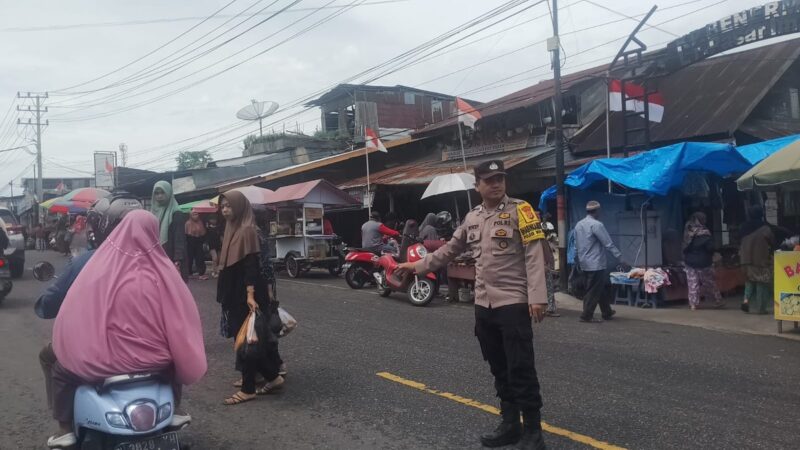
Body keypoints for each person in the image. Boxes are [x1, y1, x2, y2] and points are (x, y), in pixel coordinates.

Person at [398, 160, 549, 450]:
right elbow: (448, 250)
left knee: (521, 368)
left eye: (500, 179)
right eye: (489, 180)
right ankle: (510, 424)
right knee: (498, 367)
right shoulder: (472, 218)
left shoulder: (522, 210)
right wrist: (416, 265)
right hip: (484, 304)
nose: (496, 184)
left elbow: (534, 254)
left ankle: (533, 432)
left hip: (513, 302)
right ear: (477, 185)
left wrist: (538, 297)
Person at [46, 210, 206, 448]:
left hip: (102, 363)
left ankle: (65, 428)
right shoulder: (164, 272)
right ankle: (174, 409)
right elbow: (181, 320)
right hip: (155, 364)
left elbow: (75, 310)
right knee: (176, 358)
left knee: (59, 367)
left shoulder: (98, 268)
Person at [37, 195, 146, 435]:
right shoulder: (157, 261)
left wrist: (45, 306)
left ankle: (64, 426)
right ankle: (176, 405)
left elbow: (53, 299)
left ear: (103, 225)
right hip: (147, 343)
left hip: (102, 346)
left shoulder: (88, 260)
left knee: (54, 361)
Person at [216, 191, 284, 405]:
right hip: (234, 291)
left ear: (239, 207)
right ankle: (272, 377)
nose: (225, 209)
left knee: (246, 340)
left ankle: (249, 388)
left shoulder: (246, 230)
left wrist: (250, 295)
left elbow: (251, 267)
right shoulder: (231, 228)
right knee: (246, 339)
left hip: (244, 293)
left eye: (229, 206)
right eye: (223, 206)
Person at [574, 200, 623, 323]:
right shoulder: (597, 225)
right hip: (596, 263)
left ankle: (606, 311)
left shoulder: (579, 225)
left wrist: (577, 259)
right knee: (593, 290)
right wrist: (620, 257)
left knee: (598, 287)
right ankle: (586, 315)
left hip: (584, 262)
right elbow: (608, 243)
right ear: (597, 211)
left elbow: (576, 245)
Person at [682, 212, 724, 310]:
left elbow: (684, 247)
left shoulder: (688, 232)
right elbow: (710, 248)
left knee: (692, 284)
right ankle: (717, 300)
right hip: (704, 262)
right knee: (709, 282)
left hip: (690, 262)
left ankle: (693, 304)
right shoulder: (705, 233)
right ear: (701, 221)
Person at [740, 205, 775, 314]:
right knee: (762, 283)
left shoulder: (744, 226)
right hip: (761, 260)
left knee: (749, 282)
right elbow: (771, 241)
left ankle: (745, 301)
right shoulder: (765, 227)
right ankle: (761, 309)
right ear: (761, 214)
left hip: (746, 259)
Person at [151, 181, 188, 280]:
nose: (159, 196)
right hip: (158, 256)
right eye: (156, 193)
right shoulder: (153, 212)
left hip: (171, 256)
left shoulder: (176, 213)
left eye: (162, 193)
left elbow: (179, 238)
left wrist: (177, 259)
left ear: (169, 193)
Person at [185, 210, 208, 278]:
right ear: (190, 215)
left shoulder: (200, 222)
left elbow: (203, 233)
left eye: (197, 214)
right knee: (190, 257)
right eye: (194, 214)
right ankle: (189, 272)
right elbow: (186, 234)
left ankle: (201, 273)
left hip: (199, 241)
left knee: (200, 257)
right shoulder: (188, 223)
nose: (196, 216)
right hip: (190, 241)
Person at [206, 214, 222, 278]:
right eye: (212, 219)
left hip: (218, 245)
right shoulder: (207, 228)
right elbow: (206, 237)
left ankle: (217, 270)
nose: (213, 220)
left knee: (219, 259)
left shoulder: (219, 227)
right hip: (211, 245)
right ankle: (214, 271)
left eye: (214, 219)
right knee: (215, 258)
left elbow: (220, 236)